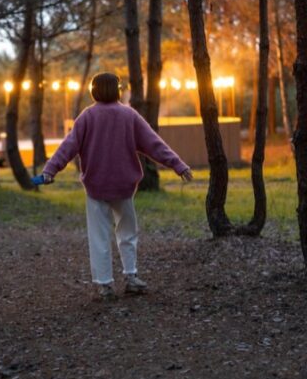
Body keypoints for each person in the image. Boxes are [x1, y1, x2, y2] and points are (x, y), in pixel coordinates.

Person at [32, 72, 193, 300]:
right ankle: (131, 277)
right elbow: (154, 144)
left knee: (99, 236)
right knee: (127, 232)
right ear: (117, 90)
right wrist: (178, 165)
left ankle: (105, 285)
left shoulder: (87, 117)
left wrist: (50, 171)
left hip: (96, 187)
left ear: (94, 90)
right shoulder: (129, 115)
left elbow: (67, 147)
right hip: (124, 186)